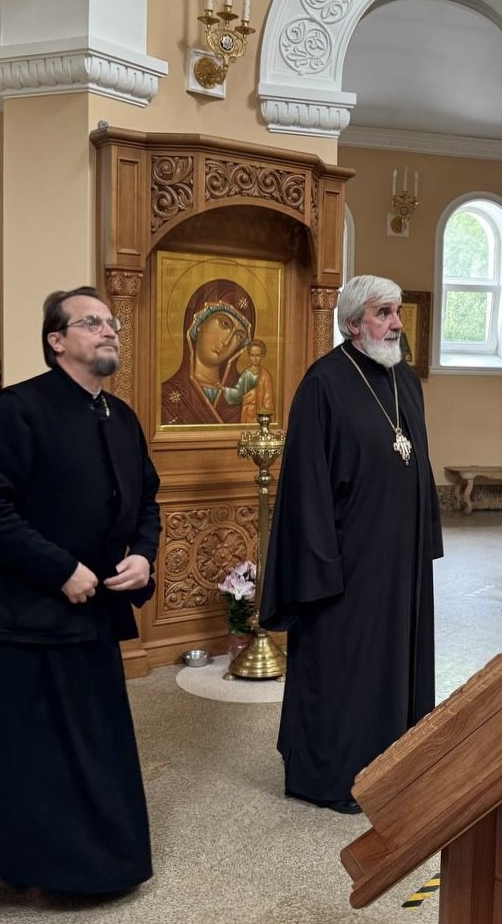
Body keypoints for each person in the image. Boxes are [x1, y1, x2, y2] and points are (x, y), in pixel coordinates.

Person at [0, 286, 162, 893]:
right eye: (92, 322)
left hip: (94, 616)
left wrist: (143, 556)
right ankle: (33, 868)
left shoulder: (121, 417)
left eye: (111, 322)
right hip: (25, 618)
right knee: (29, 751)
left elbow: (148, 500)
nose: (109, 330)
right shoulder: (17, 410)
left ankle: (98, 865)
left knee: (92, 742)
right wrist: (61, 568)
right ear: (57, 341)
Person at [260, 275, 443, 814]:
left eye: (398, 312)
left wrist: (425, 538)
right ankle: (337, 774)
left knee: (396, 663)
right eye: (384, 313)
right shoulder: (324, 384)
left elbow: (417, 462)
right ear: (353, 323)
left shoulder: (404, 379)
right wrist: (321, 567)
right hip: (346, 564)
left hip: (401, 560)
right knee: (346, 667)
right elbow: (306, 488)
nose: (397, 324)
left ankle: (394, 769)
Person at [161, 279, 259, 424]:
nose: (227, 342)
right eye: (224, 324)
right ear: (199, 323)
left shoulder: (244, 395)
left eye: (239, 336)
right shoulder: (166, 397)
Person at [239, 339, 277, 425]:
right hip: (246, 414)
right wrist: (224, 389)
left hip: (260, 416)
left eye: (258, 355)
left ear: (262, 355)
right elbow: (238, 393)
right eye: (252, 355)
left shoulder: (266, 376)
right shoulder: (245, 374)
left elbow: (268, 401)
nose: (255, 359)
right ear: (249, 355)